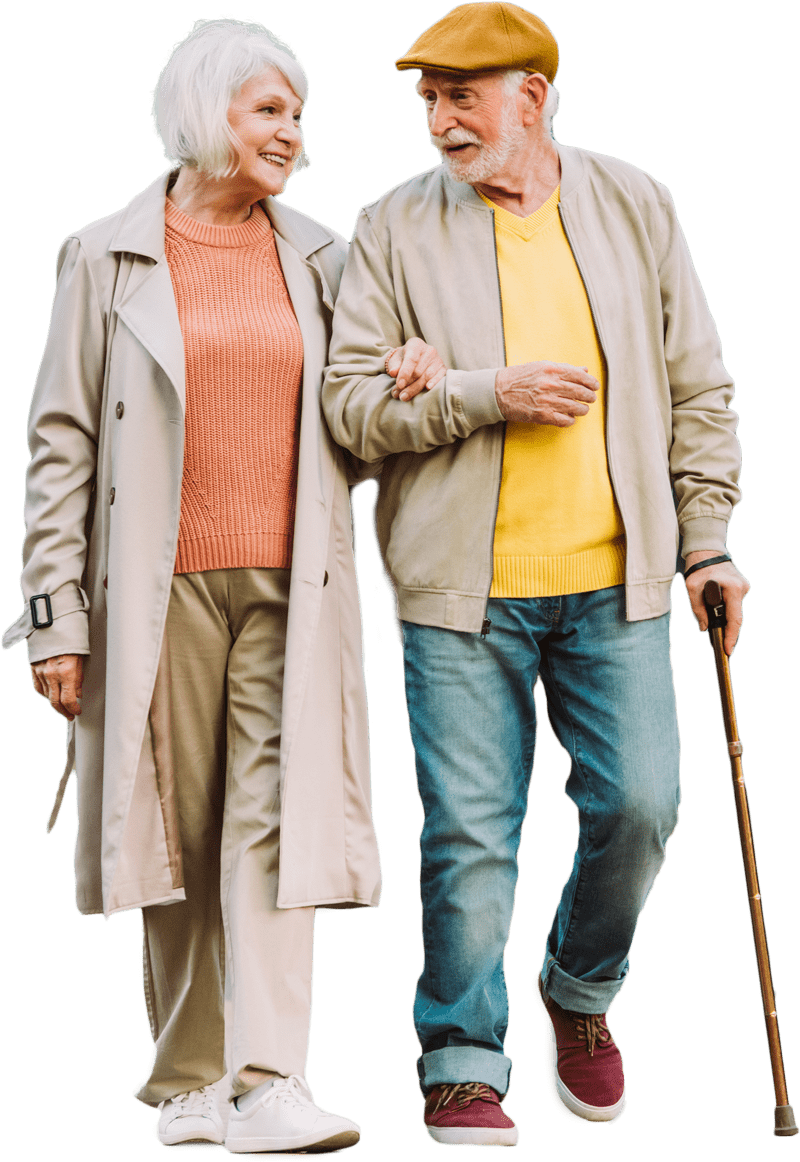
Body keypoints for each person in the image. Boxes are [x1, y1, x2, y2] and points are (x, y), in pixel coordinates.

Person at [1, 17, 444, 1155]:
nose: (292, 134)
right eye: (269, 111)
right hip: (155, 590)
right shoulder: (101, 255)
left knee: (272, 825)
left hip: (293, 581)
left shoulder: (325, 259)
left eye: (297, 115)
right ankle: (190, 1083)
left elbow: (361, 417)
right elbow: (59, 446)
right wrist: (57, 615)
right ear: (206, 115)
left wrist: (411, 367)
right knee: (176, 832)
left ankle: (273, 1078)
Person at [323, 1, 750, 1147]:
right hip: (459, 595)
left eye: (461, 96)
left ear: (535, 95)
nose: (438, 122)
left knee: (643, 806)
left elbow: (697, 387)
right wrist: (478, 392)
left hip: (616, 586)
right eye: (426, 101)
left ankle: (577, 989)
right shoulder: (392, 227)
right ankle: (460, 1055)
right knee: (468, 832)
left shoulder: (632, 203)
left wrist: (702, 537)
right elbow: (348, 411)